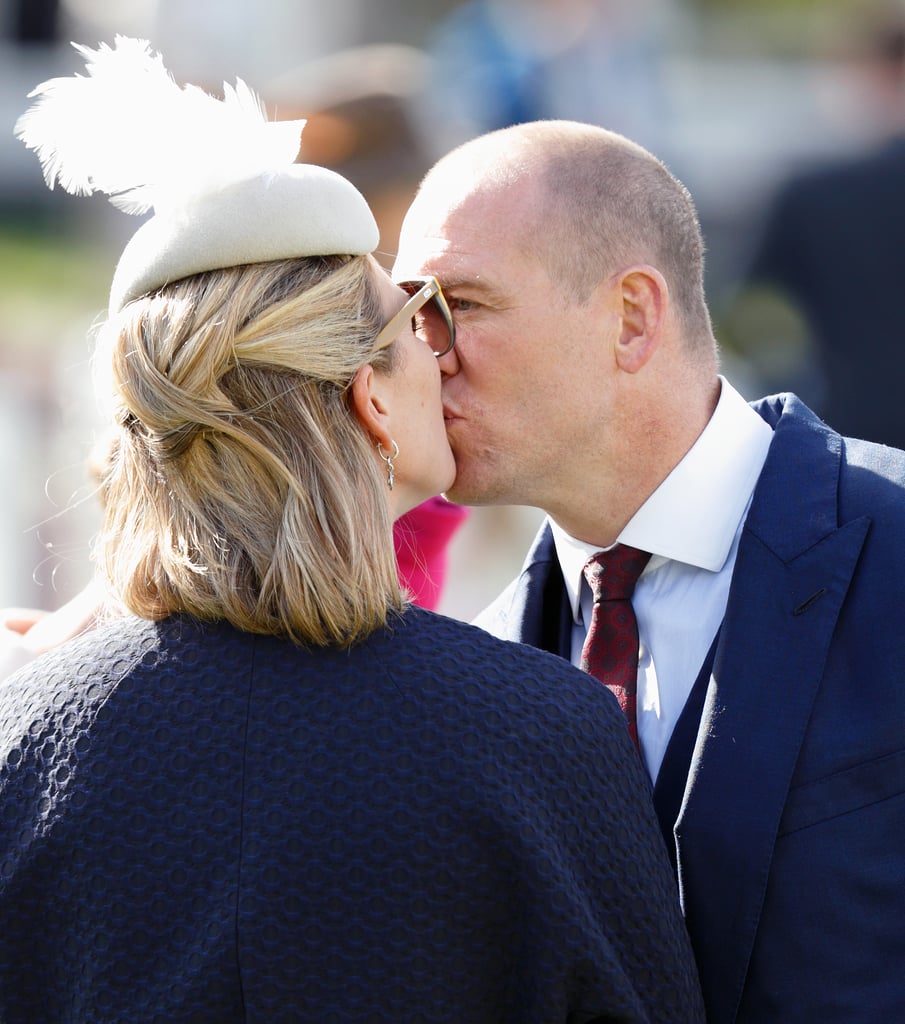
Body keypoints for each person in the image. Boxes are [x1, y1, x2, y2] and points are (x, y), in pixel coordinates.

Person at [0, 39, 705, 1022]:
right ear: (372, 396)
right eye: (417, 321)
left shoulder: (24, 743)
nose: (443, 358)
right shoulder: (543, 732)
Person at [393, 118, 905, 1024]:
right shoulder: (472, 662)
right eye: (411, 315)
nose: (425, 356)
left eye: (459, 305)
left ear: (631, 318)